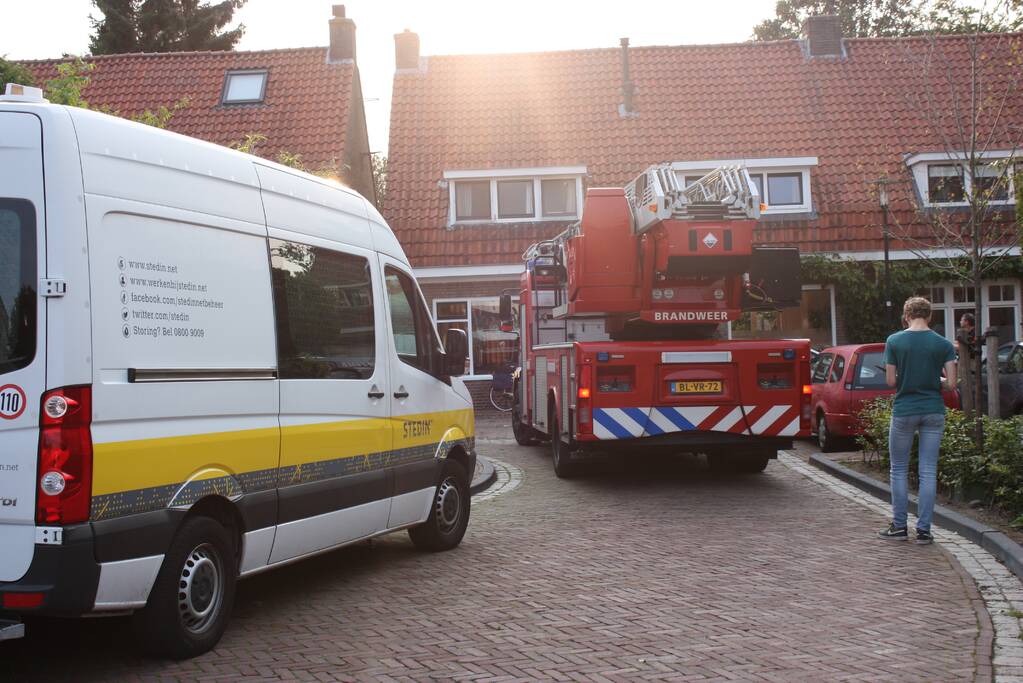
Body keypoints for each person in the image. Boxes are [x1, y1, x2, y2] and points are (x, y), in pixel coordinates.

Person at [878, 296, 957, 545]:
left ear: (906, 315)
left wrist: (909, 378)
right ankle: (924, 531)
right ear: (930, 315)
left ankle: (899, 527)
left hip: (905, 410)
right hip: (933, 410)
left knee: (899, 469)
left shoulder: (894, 341)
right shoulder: (943, 344)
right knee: (928, 470)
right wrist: (935, 381)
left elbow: (891, 381)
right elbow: (952, 384)